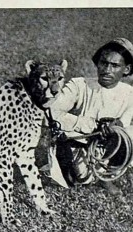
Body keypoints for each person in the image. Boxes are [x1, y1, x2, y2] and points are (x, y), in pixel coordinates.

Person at [49, 38, 133, 195]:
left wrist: (115, 127)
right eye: (103, 63)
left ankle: (107, 177)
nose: (106, 69)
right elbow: (52, 112)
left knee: (129, 135)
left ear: (126, 69)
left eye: (115, 65)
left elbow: (124, 123)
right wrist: (90, 125)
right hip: (80, 145)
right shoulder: (80, 85)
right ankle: (73, 171)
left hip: (107, 148)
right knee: (80, 178)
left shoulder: (129, 94)